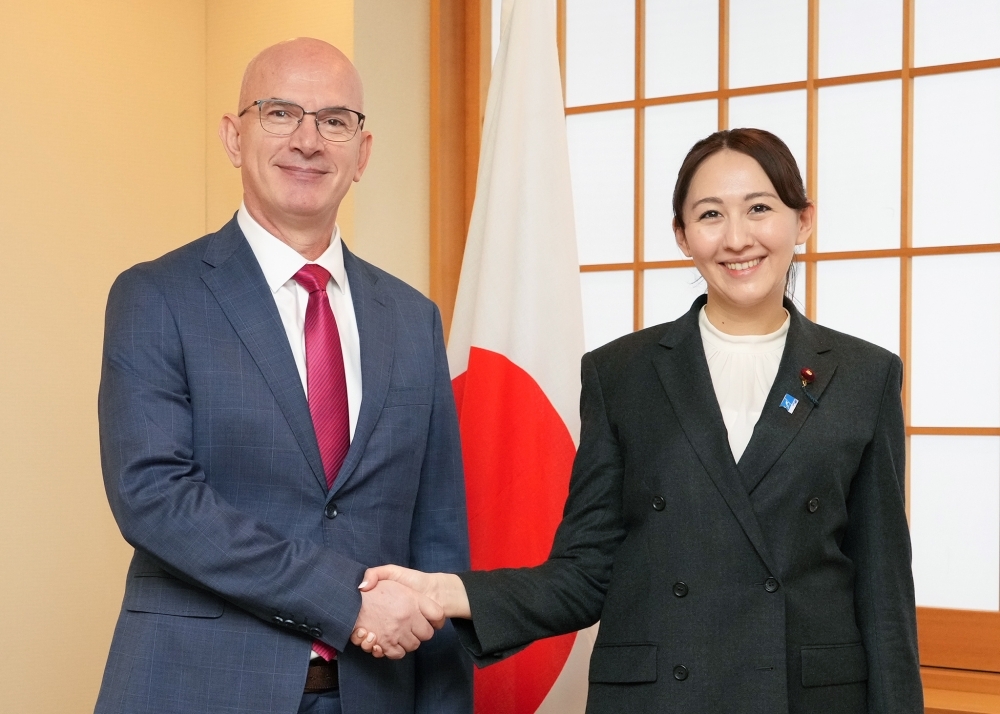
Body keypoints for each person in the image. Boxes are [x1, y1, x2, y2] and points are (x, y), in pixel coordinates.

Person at [352, 129, 923, 713]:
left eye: (759, 209)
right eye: (709, 215)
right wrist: (445, 591)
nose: (736, 238)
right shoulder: (622, 374)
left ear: (802, 221)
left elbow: (884, 592)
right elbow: (584, 573)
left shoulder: (864, 375)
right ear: (682, 236)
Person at [95, 38, 472, 714]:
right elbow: (154, 498)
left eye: (334, 120)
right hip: (197, 688)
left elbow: (437, 534)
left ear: (363, 152)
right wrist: (344, 600)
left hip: (376, 695)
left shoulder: (414, 320)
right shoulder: (157, 296)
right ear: (234, 138)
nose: (308, 140)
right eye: (279, 113)